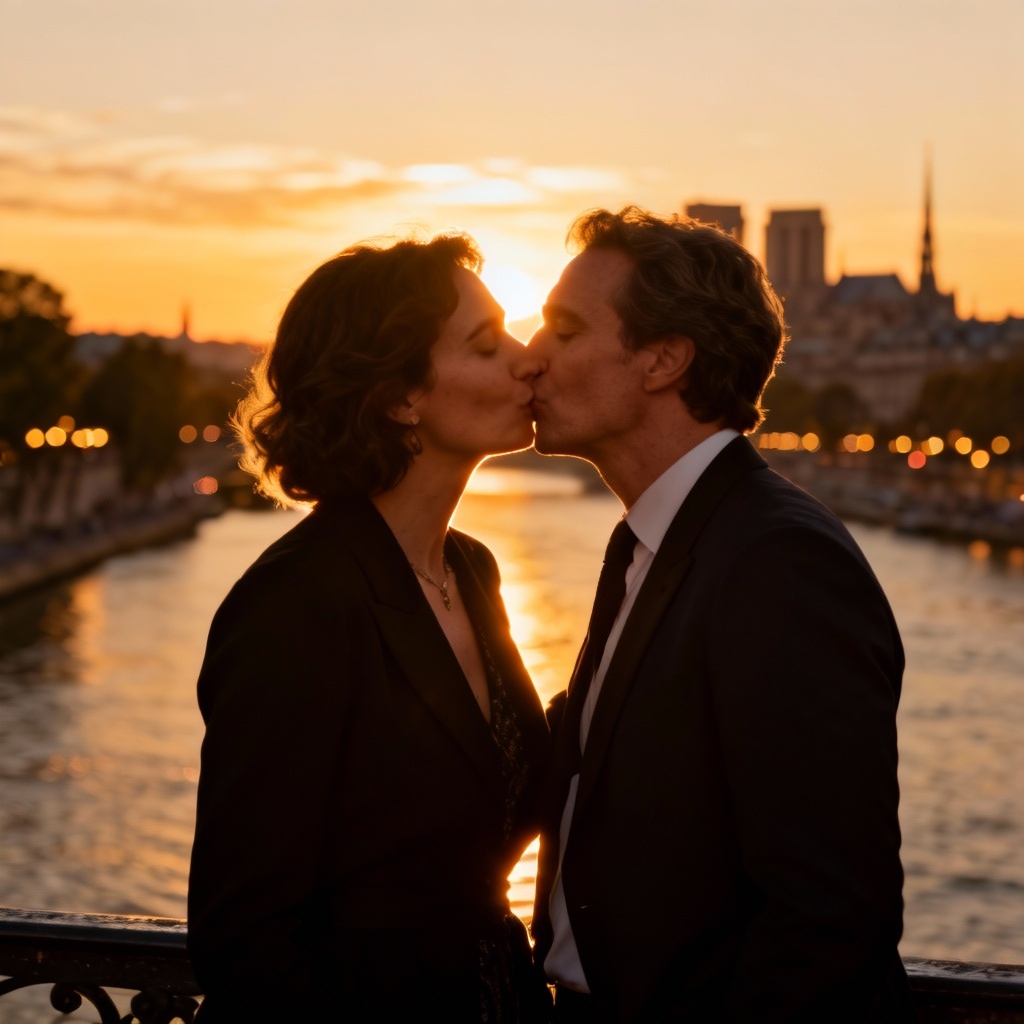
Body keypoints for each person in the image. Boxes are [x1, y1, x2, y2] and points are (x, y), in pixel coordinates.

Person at [528, 207, 915, 1023]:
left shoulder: (780, 562)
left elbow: (828, 917)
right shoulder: (664, 540)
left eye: (564, 330)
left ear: (664, 360)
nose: (533, 355)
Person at [187, 233, 552, 1023]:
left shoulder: (471, 571)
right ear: (399, 397)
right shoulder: (296, 603)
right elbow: (243, 935)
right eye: (488, 345)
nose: (530, 359)